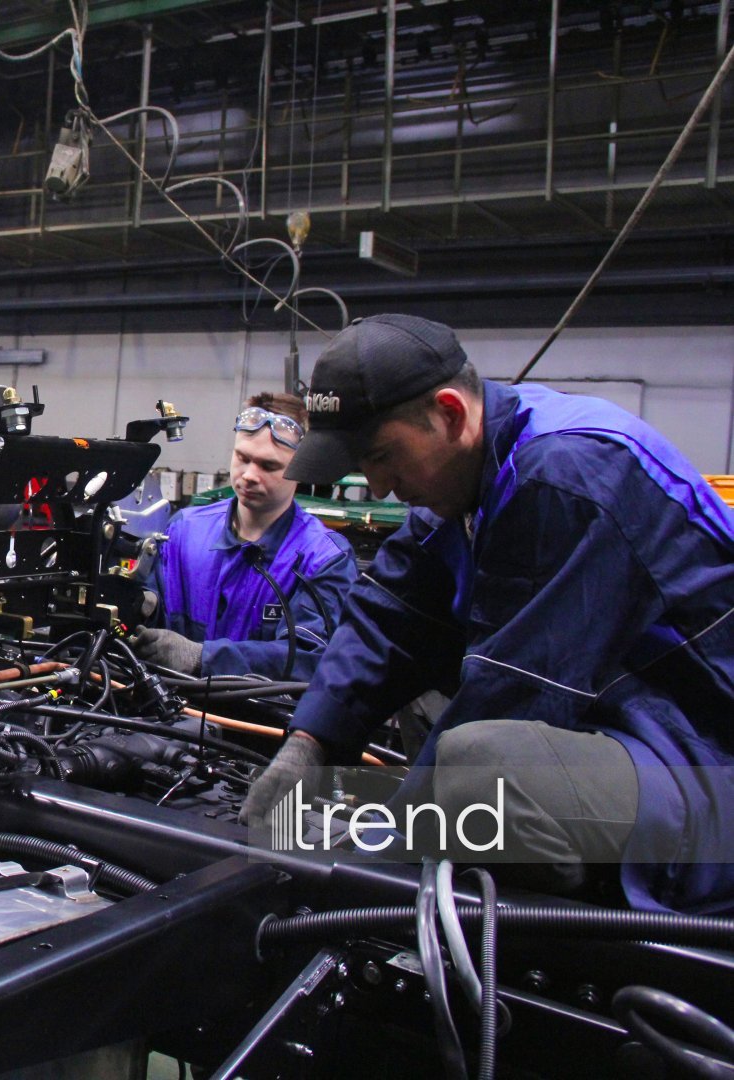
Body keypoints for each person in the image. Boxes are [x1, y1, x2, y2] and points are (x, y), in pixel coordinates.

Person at [239, 313, 734, 914]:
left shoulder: (566, 476)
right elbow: (389, 619)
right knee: (438, 730)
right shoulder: (471, 472)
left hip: (702, 759)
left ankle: (587, 922)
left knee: (480, 767)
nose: (380, 486)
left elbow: (515, 689)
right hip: (627, 730)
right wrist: (309, 744)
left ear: (450, 412)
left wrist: (366, 863)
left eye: (384, 457)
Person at [133, 392, 357, 681]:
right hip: (170, 713)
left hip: (263, 720)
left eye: (269, 466)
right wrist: (139, 603)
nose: (250, 474)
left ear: (303, 467)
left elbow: (309, 656)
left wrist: (204, 658)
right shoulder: (183, 531)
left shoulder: (323, 558)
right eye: (243, 457)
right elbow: (149, 614)